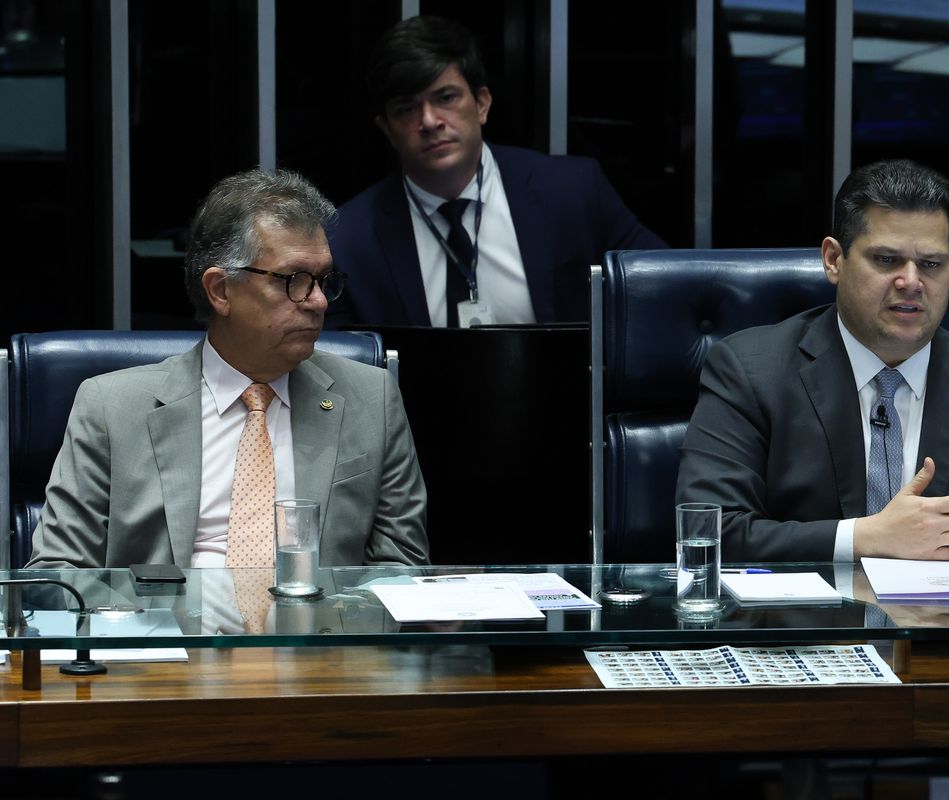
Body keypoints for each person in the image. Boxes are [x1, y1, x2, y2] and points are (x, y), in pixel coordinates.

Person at [29, 169, 431, 569]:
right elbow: (58, 572)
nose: (319, 302)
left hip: (317, 610)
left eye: (323, 280)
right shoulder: (111, 408)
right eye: (295, 280)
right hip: (161, 611)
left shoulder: (371, 397)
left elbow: (401, 565)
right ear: (220, 290)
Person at [675, 160, 949, 563]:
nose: (911, 282)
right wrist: (863, 537)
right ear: (834, 259)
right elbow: (711, 532)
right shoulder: (751, 371)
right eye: (886, 260)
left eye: (931, 264)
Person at [326, 15, 666, 329]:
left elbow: (665, 282)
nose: (429, 121)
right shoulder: (350, 240)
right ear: (387, 129)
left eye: (445, 98)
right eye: (406, 109)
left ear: (482, 104)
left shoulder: (572, 191)